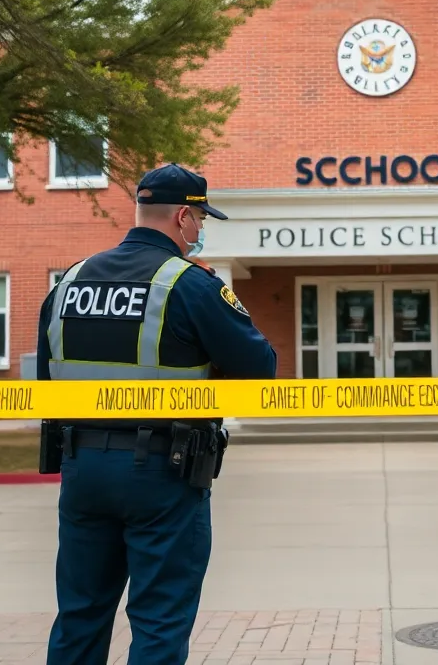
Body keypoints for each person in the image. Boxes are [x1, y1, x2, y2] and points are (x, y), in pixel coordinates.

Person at [38, 163, 277, 665]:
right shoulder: (189, 285)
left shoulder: (70, 281)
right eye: (201, 220)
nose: (200, 231)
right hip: (163, 475)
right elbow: (259, 369)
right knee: (159, 620)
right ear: (184, 218)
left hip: (82, 469)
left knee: (79, 614)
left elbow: (48, 379)